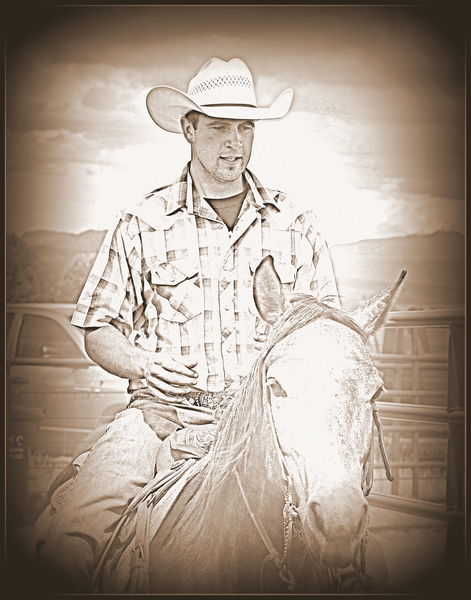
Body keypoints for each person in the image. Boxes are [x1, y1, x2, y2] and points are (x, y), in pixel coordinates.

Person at [34, 57, 340, 590]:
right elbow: (96, 325)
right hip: (162, 419)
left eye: (246, 127)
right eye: (219, 127)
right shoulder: (142, 221)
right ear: (189, 128)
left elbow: (327, 334)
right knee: (73, 537)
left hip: (269, 427)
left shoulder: (296, 224)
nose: (234, 143)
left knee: (352, 545)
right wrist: (142, 362)